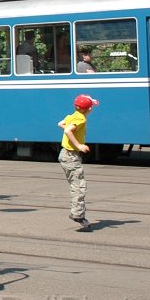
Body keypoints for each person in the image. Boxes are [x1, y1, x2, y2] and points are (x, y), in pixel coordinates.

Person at [58, 94, 98, 231]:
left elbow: (61, 124)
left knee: (75, 184)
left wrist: (70, 132)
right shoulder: (81, 119)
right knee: (79, 186)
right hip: (71, 156)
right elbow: (69, 130)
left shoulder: (73, 116)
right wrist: (79, 145)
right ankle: (78, 214)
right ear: (89, 109)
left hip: (65, 154)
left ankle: (78, 213)